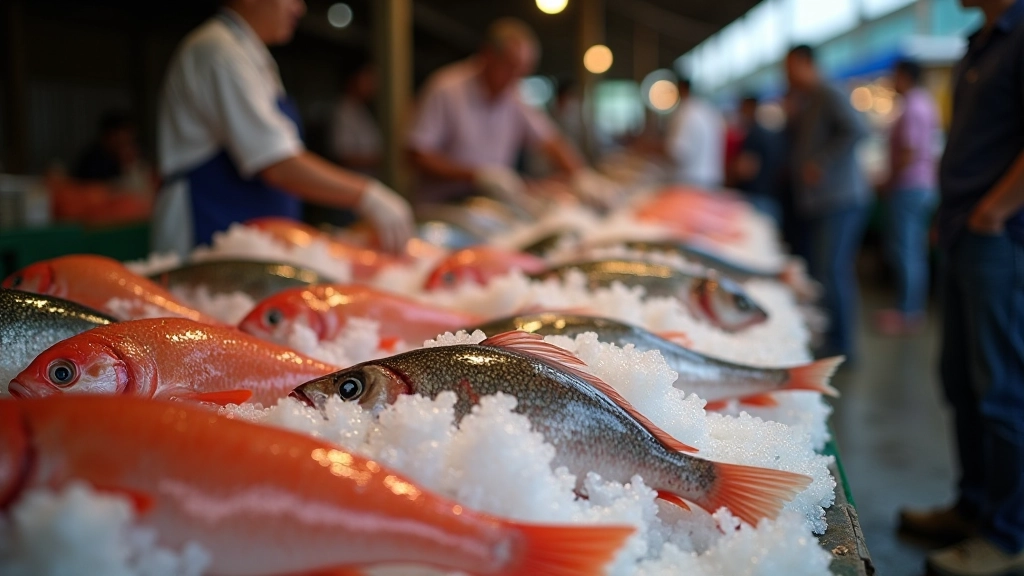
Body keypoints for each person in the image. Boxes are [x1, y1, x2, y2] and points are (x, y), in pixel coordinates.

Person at [898, 1, 1024, 574]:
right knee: (961, 380)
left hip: (999, 239)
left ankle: (1007, 535)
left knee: (1001, 387)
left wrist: (993, 213)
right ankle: (973, 506)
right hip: (961, 233)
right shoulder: (980, 42)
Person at [154, 0, 413, 256]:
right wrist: (366, 195)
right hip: (208, 225)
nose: (299, 8)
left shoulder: (252, 54)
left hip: (252, 230)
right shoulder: (219, 51)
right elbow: (276, 163)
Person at [406, 17, 616, 210]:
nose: (515, 78)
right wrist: (476, 175)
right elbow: (415, 154)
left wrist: (581, 176)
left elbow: (551, 141)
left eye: (522, 72)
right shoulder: (445, 87)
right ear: (487, 55)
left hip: (490, 207)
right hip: (443, 209)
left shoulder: (513, 94)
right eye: (510, 68)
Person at [785, 44, 870, 361]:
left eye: (790, 67)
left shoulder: (829, 91)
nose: (787, 75)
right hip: (826, 201)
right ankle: (836, 339)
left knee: (833, 269)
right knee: (827, 269)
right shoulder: (810, 98)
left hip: (841, 199)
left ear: (805, 63)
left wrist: (820, 162)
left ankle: (843, 344)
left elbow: (858, 129)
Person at [874, 59, 939, 336]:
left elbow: (909, 153)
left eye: (894, 76)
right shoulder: (926, 103)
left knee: (906, 251)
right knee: (915, 251)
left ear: (904, 76)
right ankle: (911, 309)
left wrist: (889, 180)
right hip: (924, 186)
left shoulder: (912, 107)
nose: (892, 82)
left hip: (909, 186)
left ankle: (907, 312)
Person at [664, 78, 725, 189]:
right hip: (712, 178)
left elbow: (679, 152)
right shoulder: (708, 109)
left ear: (681, 89)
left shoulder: (686, 113)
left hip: (691, 181)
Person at [731, 95, 785, 223]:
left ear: (750, 107)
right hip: (772, 198)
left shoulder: (754, 134)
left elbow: (746, 169)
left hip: (756, 198)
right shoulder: (773, 133)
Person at [73, 111, 153, 195]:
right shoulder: (93, 160)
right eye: (123, 138)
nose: (128, 142)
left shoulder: (124, 157)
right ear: (110, 135)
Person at [330, 62, 382, 176]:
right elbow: (344, 156)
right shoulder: (343, 111)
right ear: (353, 79)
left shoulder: (362, 108)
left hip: (368, 180)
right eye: (367, 78)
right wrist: (383, 160)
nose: (372, 84)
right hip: (352, 180)